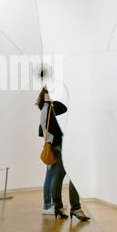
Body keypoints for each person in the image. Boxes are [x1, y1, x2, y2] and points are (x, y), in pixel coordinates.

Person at [36, 87, 90, 222]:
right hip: (60, 144)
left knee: (58, 175)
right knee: (73, 173)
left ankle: (58, 207)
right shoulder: (51, 108)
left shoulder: (45, 108)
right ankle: (75, 208)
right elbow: (61, 119)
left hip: (54, 145)